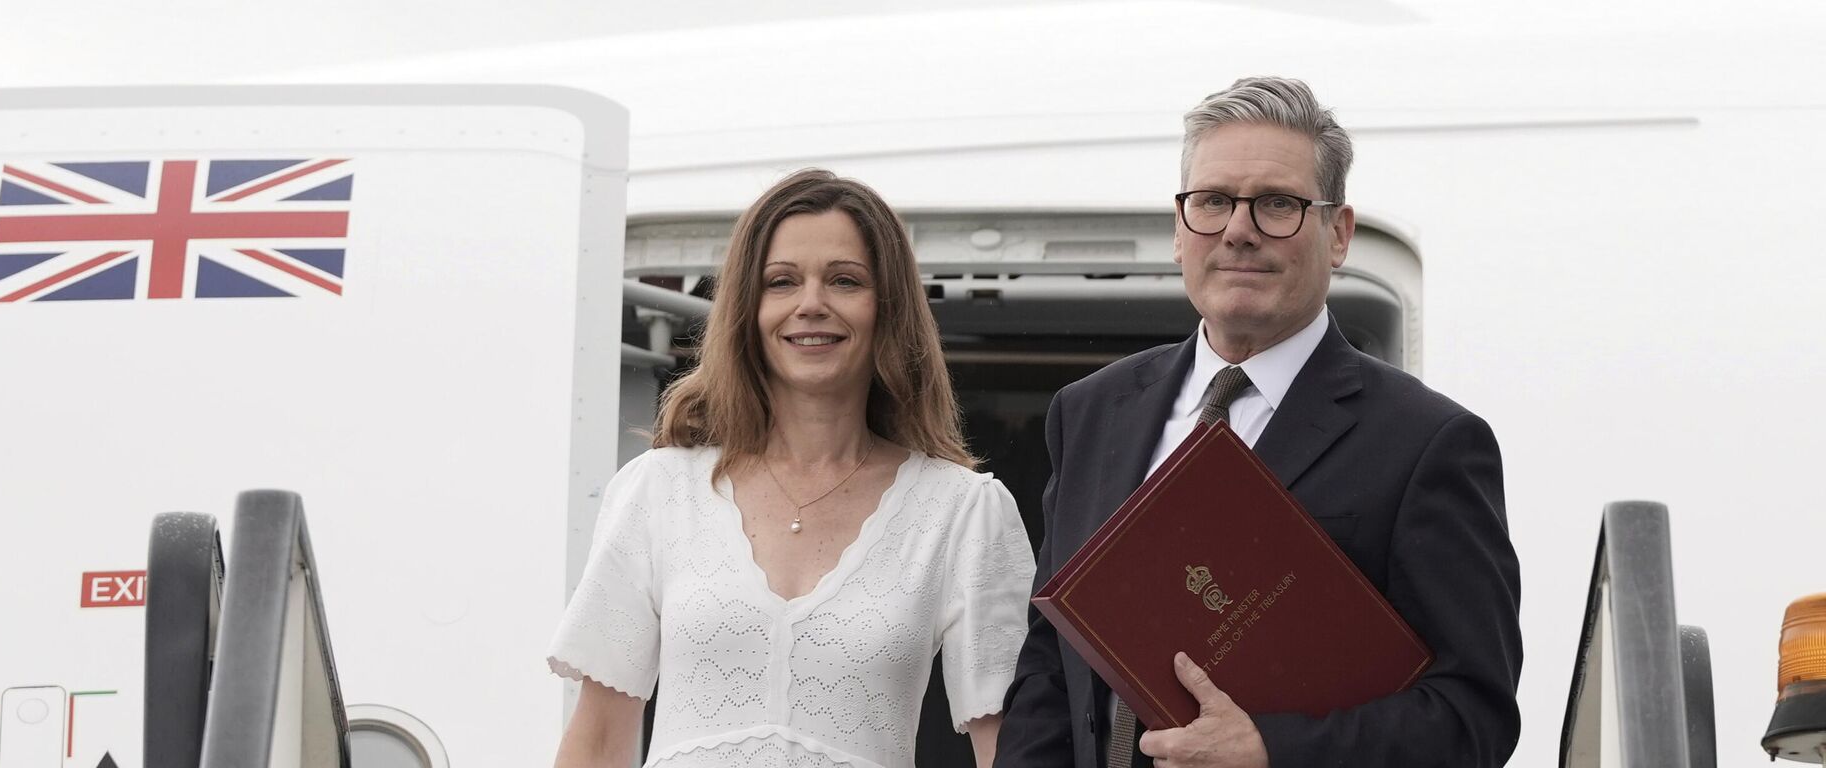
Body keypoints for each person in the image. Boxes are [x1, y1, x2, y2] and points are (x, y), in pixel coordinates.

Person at [994, 77, 1522, 768]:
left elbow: (1471, 719)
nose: (1239, 230)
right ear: (1180, 229)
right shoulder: (1092, 410)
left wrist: (1271, 750)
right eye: (1213, 201)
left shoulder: (1428, 444)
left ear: (1338, 234)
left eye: (1277, 204)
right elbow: (1050, 664)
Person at [548, 169, 1037, 768]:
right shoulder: (657, 490)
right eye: (781, 282)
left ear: (888, 308)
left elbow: (1008, 753)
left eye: (844, 280)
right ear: (747, 309)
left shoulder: (963, 512)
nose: (811, 304)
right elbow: (596, 741)